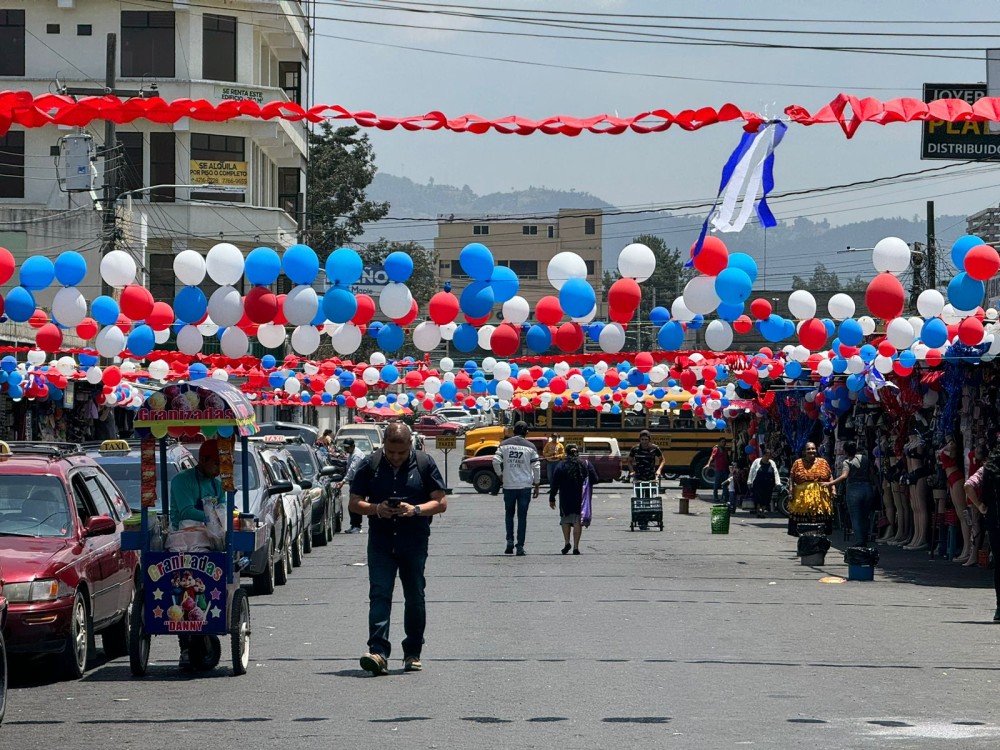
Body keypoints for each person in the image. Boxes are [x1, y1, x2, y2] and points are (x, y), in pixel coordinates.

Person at [349, 422, 448, 675]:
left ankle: (412, 652)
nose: (395, 457)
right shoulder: (370, 464)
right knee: (379, 594)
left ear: (410, 447)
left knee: (414, 595)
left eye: (401, 453)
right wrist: (376, 509)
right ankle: (378, 652)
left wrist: (414, 510)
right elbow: (353, 503)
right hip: (381, 541)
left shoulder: (425, 463)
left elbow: (440, 502)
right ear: (384, 446)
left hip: (413, 541)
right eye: (390, 452)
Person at [168, 438, 222, 669]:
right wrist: (210, 517)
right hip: (182, 539)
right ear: (205, 460)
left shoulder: (217, 484)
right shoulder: (182, 481)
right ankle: (185, 645)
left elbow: (222, 508)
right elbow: (186, 510)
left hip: (208, 540)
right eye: (216, 463)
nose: (219, 469)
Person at [492, 421, 541, 556]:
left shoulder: (504, 445)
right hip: (525, 486)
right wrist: (536, 484)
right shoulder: (531, 447)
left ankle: (509, 541)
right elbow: (536, 467)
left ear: (513, 431)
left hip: (509, 485)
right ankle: (520, 546)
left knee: (509, 514)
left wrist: (500, 475)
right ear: (526, 432)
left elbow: (495, 461)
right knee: (522, 516)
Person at [964, 443, 1000, 620]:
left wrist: (980, 505)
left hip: (995, 522)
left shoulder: (986, 469)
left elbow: (968, 486)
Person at [549, 444, 599, 555]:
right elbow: (595, 479)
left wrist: (552, 498)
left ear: (566, 453)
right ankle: (576, 547)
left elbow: (554, 483)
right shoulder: (585, 464)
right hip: (580, 498)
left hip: (565, 497)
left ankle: (567, 543)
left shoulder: (561, 465)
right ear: (578, 452)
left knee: (565, 519)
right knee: (577, 521)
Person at [825, 441, 874, 544]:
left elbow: (844, 476)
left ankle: (859, 541)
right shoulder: (865, 459)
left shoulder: (847, 462)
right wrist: (877, 486)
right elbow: (872, 473)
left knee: (855, 517)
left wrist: (830, 483)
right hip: (867, 487)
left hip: (853, 489)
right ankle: (864, 538)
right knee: (865, 516)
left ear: (845, 451)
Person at [788, 441, 833, 536]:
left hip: (820, 497)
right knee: (804, 521)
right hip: (802, 498)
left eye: (813, 448)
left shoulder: (823, 462)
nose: (811, 451)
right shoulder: (798, 463)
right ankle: (805, 539)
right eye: (808, 449)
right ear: (804, 452)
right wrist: (791, 492)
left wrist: (833, 490)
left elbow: (830, 476)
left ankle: (818, 539)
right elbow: (791, 478)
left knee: (820, 521)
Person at [338, 437, 366, 533]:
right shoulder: (351, 454)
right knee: (352, 504)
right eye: (345, 447)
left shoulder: (357, 455)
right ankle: (354, 525)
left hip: (358, 481)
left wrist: (343, 481)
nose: (346, 449)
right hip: (354, 481)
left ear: (353, 446)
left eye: (347, 447)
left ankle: (357, 526)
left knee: (355, 503)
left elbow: (352, 470)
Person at [747, 447, 779, 518]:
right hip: (758, 483)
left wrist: (777, 482)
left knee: (766, 498)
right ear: (763, 455)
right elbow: (752, 471)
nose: (767, 457)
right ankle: (758, 511)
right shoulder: (757, 461)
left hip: (768, 484)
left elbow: (776, 473)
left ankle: (763, 512)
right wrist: (749, 481)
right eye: (766, 455)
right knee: (758, 498)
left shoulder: (772, 463)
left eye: (769, 455)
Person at [709, 438, 731, 505]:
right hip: (718, 469)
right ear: (719, 442)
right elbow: (712, 457)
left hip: (724, 469)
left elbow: (727, 459)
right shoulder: (716, 449)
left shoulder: (725, 450)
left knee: (725, 484)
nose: (724, 443)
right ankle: (715, 497)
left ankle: (725, 497)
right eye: (722, 442)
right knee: (716, 484)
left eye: (724, 442)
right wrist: (710, 464)